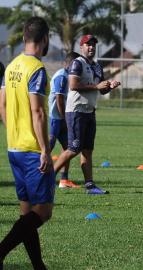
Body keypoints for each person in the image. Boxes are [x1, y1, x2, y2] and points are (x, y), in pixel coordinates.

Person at [0, 16, 54, 269]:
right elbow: (38, 112)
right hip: (32, 150)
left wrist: (12, 129)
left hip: (14, 147)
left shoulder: (11, 66)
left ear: (23, 37)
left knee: (26, 213)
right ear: (44, 40)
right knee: (43, 211)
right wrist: (44, 148)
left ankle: (39, 266)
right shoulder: (37, 69)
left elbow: (2, 104)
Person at [53, 35, 121, 195]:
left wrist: (109, 86)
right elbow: (74, 85)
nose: (91, 47)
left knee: (87, 150)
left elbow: (101, 88)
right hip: (76, 110)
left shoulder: (97, 67)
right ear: (81, 46)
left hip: (90, 111)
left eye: (93, 45)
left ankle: (90, 186)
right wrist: (97, 86)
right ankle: (48, 178)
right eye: (88, 45)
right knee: (74, 148)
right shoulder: (77, 63)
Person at [49, 51, 81, 189]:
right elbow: (59, 99)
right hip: (56, 118)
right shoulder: (62, 76)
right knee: (47, 148)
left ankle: (64, 180)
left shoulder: (69, 75)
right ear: (68, 63)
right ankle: (35, 176)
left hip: (62, 117)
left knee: (69, 148)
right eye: (75, 64)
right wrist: (64, 117)